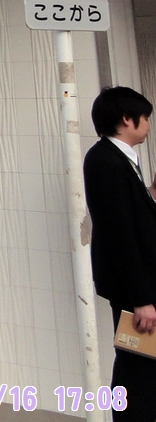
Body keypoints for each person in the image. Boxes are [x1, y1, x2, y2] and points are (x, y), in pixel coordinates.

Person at [85, 86, 156, 422]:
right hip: (134, 292)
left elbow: (133, 216)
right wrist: (141, 299)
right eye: (146, 118)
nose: (149, 126)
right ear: (127, 119)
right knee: (137, 366)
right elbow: (119, 235)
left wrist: (151, 193)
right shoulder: (105, 161)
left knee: (146, 365)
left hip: (140, 286)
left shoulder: (120, 158)